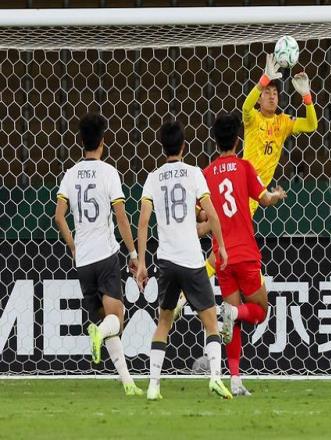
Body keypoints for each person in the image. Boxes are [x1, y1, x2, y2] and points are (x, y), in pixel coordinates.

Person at [173, 54, 317, 317]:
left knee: (216, 230)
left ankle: (195, 231)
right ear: (260, 98)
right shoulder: (252, 119)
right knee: (222, 239)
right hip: (244, 188)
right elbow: (245, 106)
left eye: (275, 93)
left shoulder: (283, 122)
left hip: (251, 190)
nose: (271, 96)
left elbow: (311, 124)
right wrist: (263, 79)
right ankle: (185, 290)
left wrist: (306, 97)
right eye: (267, 93)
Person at [135, 120, 232, 401]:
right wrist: (221, 247)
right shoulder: (194, 173)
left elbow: (143, 222)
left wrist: (141, 263)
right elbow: (212, 214)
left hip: (166, 261)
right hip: (191, 259)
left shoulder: (153, 178)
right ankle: (216, 378)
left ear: (162, 146)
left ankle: (153, 386)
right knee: (210, 321)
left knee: (163, 322)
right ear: (184, 146)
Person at [55, 113, 142, 396]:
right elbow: (121, 216)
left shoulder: (70, 174)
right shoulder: (108, 172)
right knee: (117, 319)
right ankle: (99, 333)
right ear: (103, 142)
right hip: (105, 255)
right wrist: (133, 253)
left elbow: (59, 216)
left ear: (82, 142)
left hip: (83, 261)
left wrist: (73, 245)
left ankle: (127, 382)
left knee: (107, 319)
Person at [203, 112, 286, 396]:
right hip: (246, 254)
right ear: (238, 140)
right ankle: (234, 312)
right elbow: (264, 200)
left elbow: (201, 214)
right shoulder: (244, 167)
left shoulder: (206, 174)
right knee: (260, 311)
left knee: (232, 322)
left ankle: (235, 380)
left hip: (222, 257)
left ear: (216, 142)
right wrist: (277, 196)